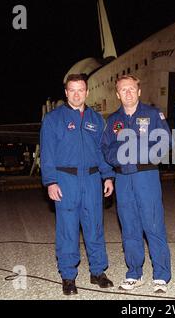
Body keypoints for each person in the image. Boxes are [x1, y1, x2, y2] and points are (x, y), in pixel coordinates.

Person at [40, 73, 115, 295]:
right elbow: (47, 154)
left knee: (95, 227)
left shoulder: (96, 119)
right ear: (66, 93)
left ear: (87, 92)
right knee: (68, 230)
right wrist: (51, 181)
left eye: (80, 90)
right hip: (66, 180)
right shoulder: (53, 119)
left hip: (92, 180)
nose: (76, 94)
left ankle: (98, 272)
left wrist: (108, 176)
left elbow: (102, 152)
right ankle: (68, 276)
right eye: (72, 90)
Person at [101, 75, 171, 293]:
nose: (128, 93)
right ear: (117, 94)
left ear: (139, 91)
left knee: (153, 224)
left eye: (132, 89)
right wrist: (120, 156)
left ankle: (161, 276)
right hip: (123, 178)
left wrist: (140, 153)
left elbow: (165, 141)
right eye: (123, 90)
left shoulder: (152, 114)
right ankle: (134, 273)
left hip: (146, 176)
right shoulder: (113, 120)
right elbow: (105, 149)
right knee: (129, 226)